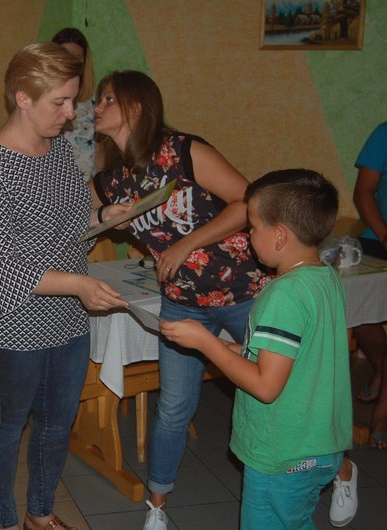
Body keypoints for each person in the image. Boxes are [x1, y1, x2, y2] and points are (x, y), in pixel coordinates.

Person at [89, 70, 268, 530]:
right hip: (182, 301)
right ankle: (157, 506)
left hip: (241, 291)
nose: (96, 107)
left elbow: (246, 201)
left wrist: (187, 244)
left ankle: (337, 468)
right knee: (173, 406)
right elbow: (78, 219)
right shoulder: (110, 179)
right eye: (97, 100)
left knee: (274, 390)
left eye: (107, 99)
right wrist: (101, 215)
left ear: (136, 106)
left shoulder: (184, 151)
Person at [0, 42, 129, 530]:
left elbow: (72, 223)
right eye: (60, 101)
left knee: (58, 423)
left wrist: (105, 215)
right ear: (23, 98)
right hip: (11, 320)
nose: (71, 112)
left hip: (67, 315)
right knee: (8, 423)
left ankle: (39, 513)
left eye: (73, 99)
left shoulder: (58, 151)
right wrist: (79, 285)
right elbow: (4, 264)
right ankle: (5, 520)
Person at [161, 169, 353, 530]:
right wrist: (227, 346)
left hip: (284, 453)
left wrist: (205, 342)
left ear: (279, 236)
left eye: (252, 228)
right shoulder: (324, 277)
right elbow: (294, 356)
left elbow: (266, 386)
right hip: (320, 444)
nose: (248, 236)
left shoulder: (282, 294)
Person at [352, 121, 387, 450]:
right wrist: (384, 234)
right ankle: (381, 367)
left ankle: (382, 411)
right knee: (361, 316)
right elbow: (363, 192)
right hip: (378, 239)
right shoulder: (384, 132)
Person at [51, 27, 97, 181]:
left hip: (90, 186)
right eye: (64, 57)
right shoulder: (42, 103)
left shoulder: (98, 104)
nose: (70, 63)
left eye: (76, 58)